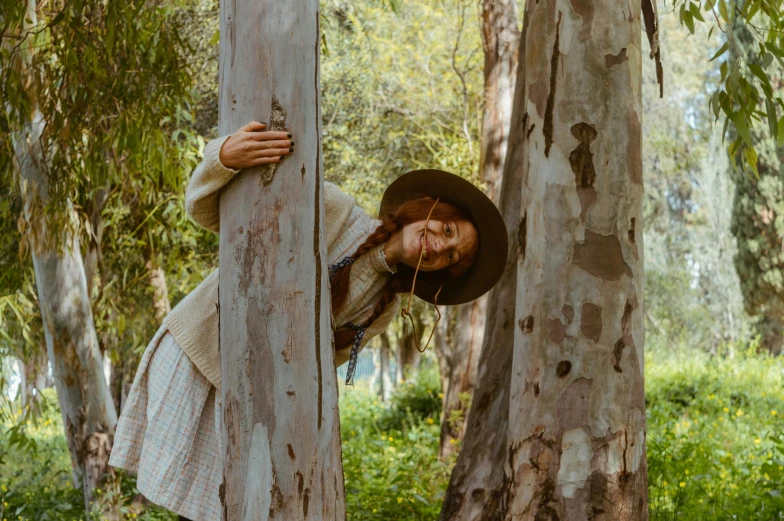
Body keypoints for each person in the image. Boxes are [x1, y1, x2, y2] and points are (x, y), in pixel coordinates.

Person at [108, 121, 507, 521]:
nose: (439, 244)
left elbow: (311, 369)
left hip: (249, 396)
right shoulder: (334, 210)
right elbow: (206, 212)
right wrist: (223, 157)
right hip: (198, 356)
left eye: (450, 255)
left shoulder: (383, 309)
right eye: (448, 228)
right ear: (429, 207)